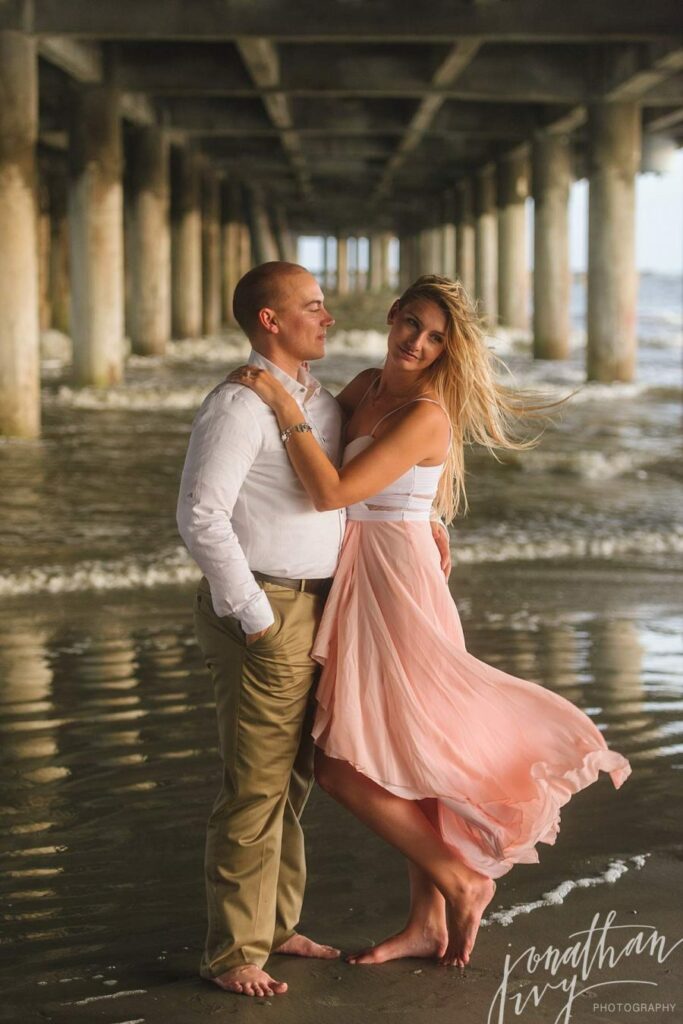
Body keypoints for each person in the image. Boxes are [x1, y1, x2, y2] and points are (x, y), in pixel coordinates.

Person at [228, 273, 632, 971]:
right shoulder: (362, 386)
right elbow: (322, 447)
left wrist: (269, 394)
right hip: (364, 573)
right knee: (409, 752)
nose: (416, 341)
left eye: (435, 336)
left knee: (341, 766)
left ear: (449, 348)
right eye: (410, 323)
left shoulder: (425, 412)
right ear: (391, 316)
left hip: (398, 583)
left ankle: (460, 879)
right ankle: (423, 923)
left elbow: (329, 490)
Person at [176, 261, 450, 998]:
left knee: (291, 781)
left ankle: (271, 925)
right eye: (314, 307)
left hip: (322, 605)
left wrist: (428, 516)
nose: (328, 318)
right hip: (267, 608)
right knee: (255, 787)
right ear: (271, 321)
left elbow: (378, 475)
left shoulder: (323, 399)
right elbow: (199, 515)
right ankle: (234, 952)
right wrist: (256, 617)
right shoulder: (240, 405)